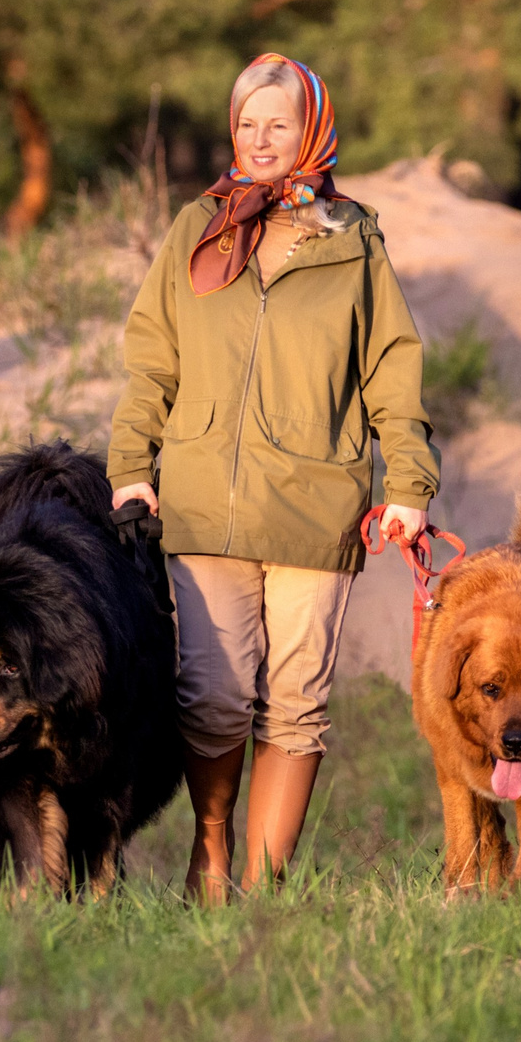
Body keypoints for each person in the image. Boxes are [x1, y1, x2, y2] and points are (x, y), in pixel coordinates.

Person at [108, 54, 438, 903]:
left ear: (311, 132)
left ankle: (259, 890)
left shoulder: (355, 237)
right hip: (202, 501)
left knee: (295, 705)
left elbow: (391, 368)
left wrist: (408, 485)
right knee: (212, 696)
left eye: (278, 126)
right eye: (248, 124)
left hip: (313, 504)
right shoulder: (198, 227)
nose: (260, 141)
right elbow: (153, 360)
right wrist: (130, 468)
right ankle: (211, 852)